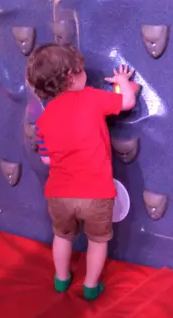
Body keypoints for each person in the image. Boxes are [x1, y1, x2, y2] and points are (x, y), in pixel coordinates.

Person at [26, 43, 136, 300]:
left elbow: (46, 159)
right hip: (96, 192)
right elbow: (128, 102)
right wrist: (121, 80)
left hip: (59, 194)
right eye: (82, 69)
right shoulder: (92, 97)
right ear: (71, 76)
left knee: (62, 236)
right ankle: (90, 285)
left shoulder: (44, 117)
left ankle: (62, 279)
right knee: (97, 241)